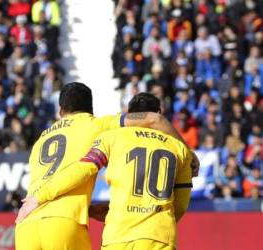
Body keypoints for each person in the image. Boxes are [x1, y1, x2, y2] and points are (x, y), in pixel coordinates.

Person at [15, 83, 198, 249]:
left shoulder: (41, 139)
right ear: (91, 109)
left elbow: (82, 168)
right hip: (66, 221)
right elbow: (179, 205)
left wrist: (38, 197)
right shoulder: (100, 126)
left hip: (27, 222)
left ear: (61, 110)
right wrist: (189, 153)